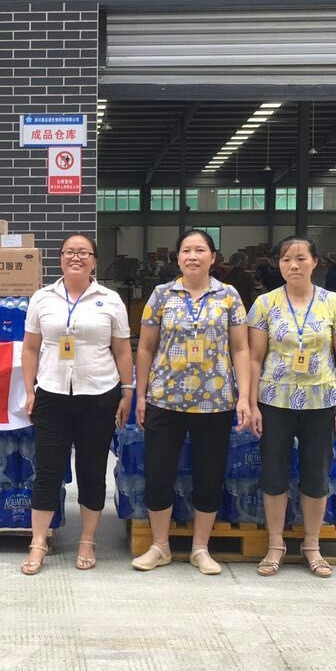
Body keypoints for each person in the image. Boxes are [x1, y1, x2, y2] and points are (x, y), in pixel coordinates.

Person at [131, 229, 253, 574]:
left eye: (200, 250)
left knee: (209, 475)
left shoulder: (229, 296)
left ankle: (200, 548)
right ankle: (160, 546)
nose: (193, 256)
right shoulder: (161, 295)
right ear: (178, 257)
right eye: (186, 250)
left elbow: (240, 348)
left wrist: (244, 396)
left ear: (213, 257)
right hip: (165, 398)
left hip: (215, 402)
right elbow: (146, 347)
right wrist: (141, 394)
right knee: (158, 473)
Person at [20, 234, 133, 575]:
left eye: (84, 252)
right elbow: (30, 348)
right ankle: (38, 541)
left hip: (99, 395)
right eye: (69, 251)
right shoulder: (42, 298)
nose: (76, 257)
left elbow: (122, 350)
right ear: (60, 258)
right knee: (48, 471)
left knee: (92, 470)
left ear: (94, 260)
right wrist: (29, 391)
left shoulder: (110, 300)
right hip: (52, 393)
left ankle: (87, 540)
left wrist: (127, 391)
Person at [247, 235, 336, 579]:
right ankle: (275, 544)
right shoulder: (264, 304)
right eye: (286, 260)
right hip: (274, 401)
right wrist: (250, 403)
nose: (293, 265)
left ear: (315, 262)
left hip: (321, 402)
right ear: (278, 265)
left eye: (300, 258)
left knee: (316, 472)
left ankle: (312, 545)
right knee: (274, 472)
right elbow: (254, 357)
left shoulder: (333, 303)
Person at [225, 251, 259, 316]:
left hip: (231, 307)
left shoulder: (227, 276)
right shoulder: (245, 276)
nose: (247, 263)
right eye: (246, 261)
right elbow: (252, 293)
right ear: (241, 263)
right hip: (245, 307)